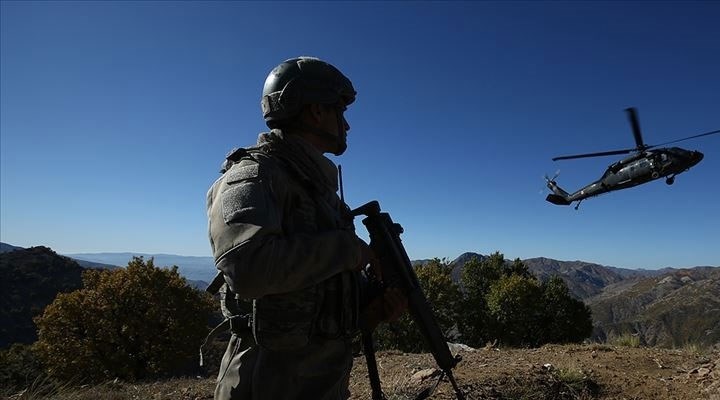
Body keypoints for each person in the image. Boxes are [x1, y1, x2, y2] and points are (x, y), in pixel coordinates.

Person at [206, 56, 406, 400]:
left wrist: (369, 303)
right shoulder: (253, 176)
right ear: (316, 111)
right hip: (266, 386)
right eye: (339, 113)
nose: (347, 126)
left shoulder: (317, 189)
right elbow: (249, 269)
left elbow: (313, 287)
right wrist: (349, 251)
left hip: (319, 383)